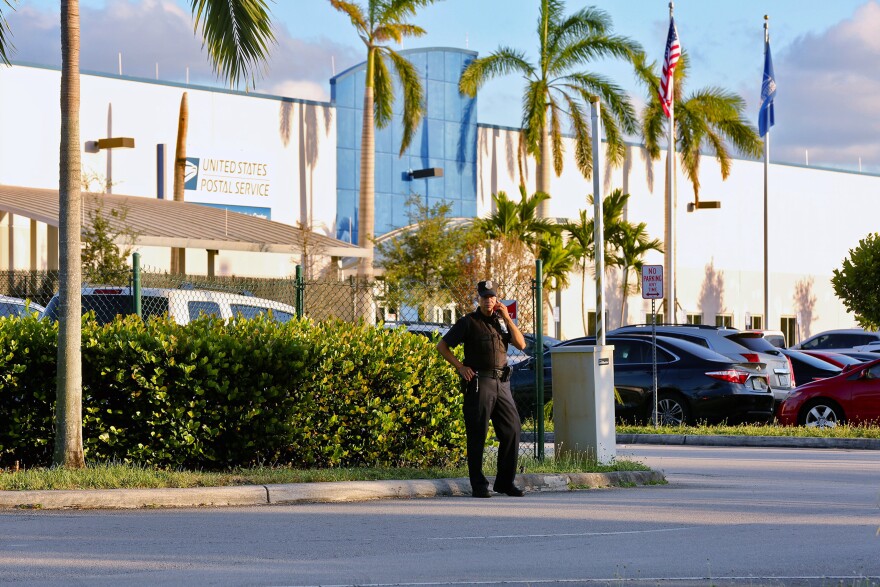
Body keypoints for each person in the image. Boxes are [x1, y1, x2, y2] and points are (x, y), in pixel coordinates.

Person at [437, 279, 527, 498]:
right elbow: (442, 345)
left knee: (512, 430)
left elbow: (521, 344)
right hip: (480, 382)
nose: (488, 301)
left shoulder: (502, 322)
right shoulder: (469, 322)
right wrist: (460, 366)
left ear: (497, 299)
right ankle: (479, 485)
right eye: (485, 297)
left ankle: (505, 482)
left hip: (502, 383)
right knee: (478, 433)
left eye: (492, 297)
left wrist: (507, 317)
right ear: (478, 298)